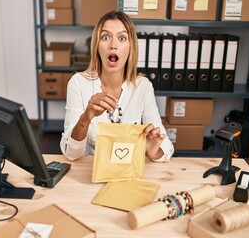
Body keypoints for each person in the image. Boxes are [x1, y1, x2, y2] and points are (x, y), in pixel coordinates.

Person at [60, 11, 174, 162]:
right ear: (96, 46)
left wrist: (152, 151)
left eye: (122, 38)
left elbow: (166, 148)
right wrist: (85, 118)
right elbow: (70, 154)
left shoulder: (143, 87)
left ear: (130, 47)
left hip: (127, 173)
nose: (113, 45)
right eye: (105, 37)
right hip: (89, 173)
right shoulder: (78, 83)